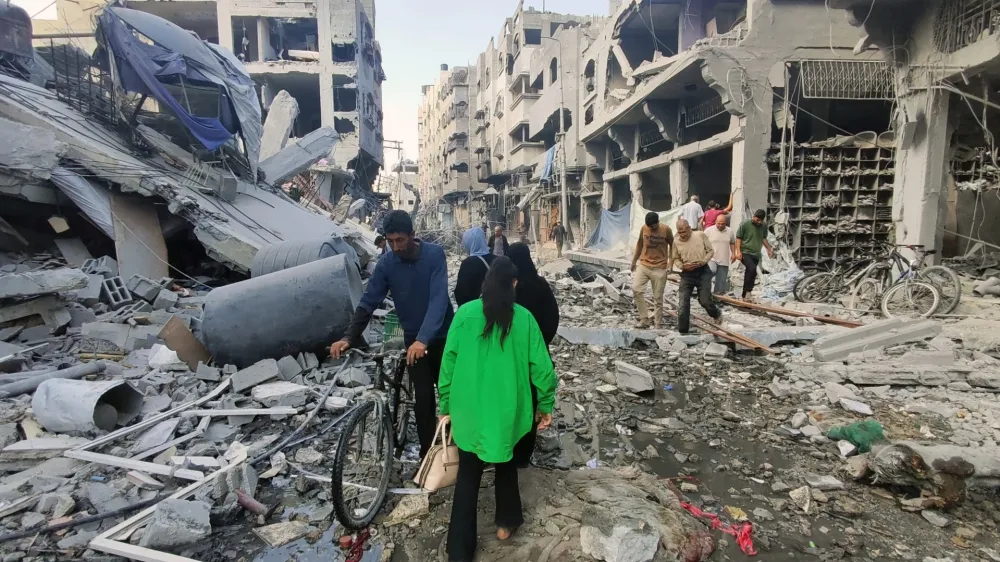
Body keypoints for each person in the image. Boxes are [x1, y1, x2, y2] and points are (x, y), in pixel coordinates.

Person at [439, 257, 557, 562]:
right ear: (514, 284)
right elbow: (543, 370)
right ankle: (506, 524)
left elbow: (447, 365)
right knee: (505, 464)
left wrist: (444, 404)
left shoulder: (464, 314)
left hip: (469, 413)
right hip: (507, 413)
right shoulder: (525, 319)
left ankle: (460, 551)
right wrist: (545, 405)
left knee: (468, 477)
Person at [329, 210, 454, 458]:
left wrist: (424, 338)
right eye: (391, 241)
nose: (395, 247)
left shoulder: (434, 255)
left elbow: (438, 300)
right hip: (413, 339)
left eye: (400, 240)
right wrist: (348, 337)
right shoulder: (387, 263)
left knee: (451, 392)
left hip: (441, 336)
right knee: (423, 399)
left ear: (412, 235)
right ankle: (429, 456)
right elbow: (368, 301)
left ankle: (459, 449)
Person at [506, 243, 559, 468]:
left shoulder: (509, 288)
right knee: (530, 401)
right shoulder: (541, 285)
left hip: (510, 356)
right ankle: (523, 454)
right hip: (535, 354)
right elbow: (553, 318)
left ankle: (506, 446)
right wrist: (542, 342)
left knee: (510, 399)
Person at [671, 219, 722, 334]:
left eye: (684, 232)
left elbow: (710, 251)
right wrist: (682, 266)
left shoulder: (700, 235)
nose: (682, 235)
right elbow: (675, 258)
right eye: (680, 232)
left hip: (702, 271)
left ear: (689, 228)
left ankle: (716, 313)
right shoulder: (676, 242)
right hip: (687, 274)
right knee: (683, 303)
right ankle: (683, 331)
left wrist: (702, 262)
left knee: (704, 301)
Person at [631, 211, 673, 329]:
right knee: (636, 289)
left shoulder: (666, 230)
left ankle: (657, 324)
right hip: (644, 265)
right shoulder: (644, 228)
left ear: (658, 222)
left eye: (653, 226)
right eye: (649, 226)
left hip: (659, 267)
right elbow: (639, 244)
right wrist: (634, 261)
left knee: (658, 297)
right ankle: (644, 319)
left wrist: (671, 262)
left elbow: (673, 245)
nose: (651, 228)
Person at [735, 209, 775, 301]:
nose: (758, 222)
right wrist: (738, 252)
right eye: (756, 219)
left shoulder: (763, 225)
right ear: (754, 216)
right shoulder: (745, 224)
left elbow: (763, 238)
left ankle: (746, 294)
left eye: (760, 221)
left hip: (756, 253)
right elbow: (738, 238)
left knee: (751, 272)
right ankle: (747, 293)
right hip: (745, 251)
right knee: (752, 268)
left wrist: (769, 249)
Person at [454, 227, 496, 307]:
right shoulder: (497, 259)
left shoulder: (468, 264)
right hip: (497, 308)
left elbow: (461, 293)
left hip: (475, 310)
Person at [704, 213, 737, 295]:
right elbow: (702, 242)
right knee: (710, 271)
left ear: (726, 223)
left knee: (721, 280)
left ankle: (718, 296)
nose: (720, 225)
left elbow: (732, 243)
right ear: (715, 222)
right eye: (718, 223)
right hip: (712, 258)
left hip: (724, 259)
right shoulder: (708, 230)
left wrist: (733, 254)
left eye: (722, 224)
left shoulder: (730, 231)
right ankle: (704, 291)